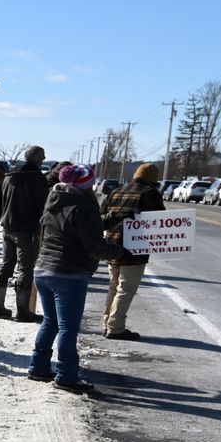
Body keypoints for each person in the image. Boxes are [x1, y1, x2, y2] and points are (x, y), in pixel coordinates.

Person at [28, 164, 119, 393]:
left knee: (51, 323)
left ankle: (38, 367)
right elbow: (94, 246)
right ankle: (67, 375)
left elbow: (71, 228)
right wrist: (121, 251)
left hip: (43, 270)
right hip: (69, 274)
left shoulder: (54, 199)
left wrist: (108, 220)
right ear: (88, 185)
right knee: (68, 328)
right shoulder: (84, 206)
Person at [98, 163, 164, 340]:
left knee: (114, 285)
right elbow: (159, 219)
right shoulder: (149, 193)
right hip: (134, 247)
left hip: (112, 244)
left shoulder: (116, 191)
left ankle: (107, 323)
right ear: (153, 179)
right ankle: (116, 327)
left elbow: (102, 214)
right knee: (125, 289)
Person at [0, 145, 48, 322]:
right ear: (38, 159)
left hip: (8, 226)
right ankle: (23, 310)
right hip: (27, 229)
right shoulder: (36, 179)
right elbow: (43, 207)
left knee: (6, 265)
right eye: (43, 158)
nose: (43, 161)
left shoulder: (9, 177)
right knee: (25, 269)